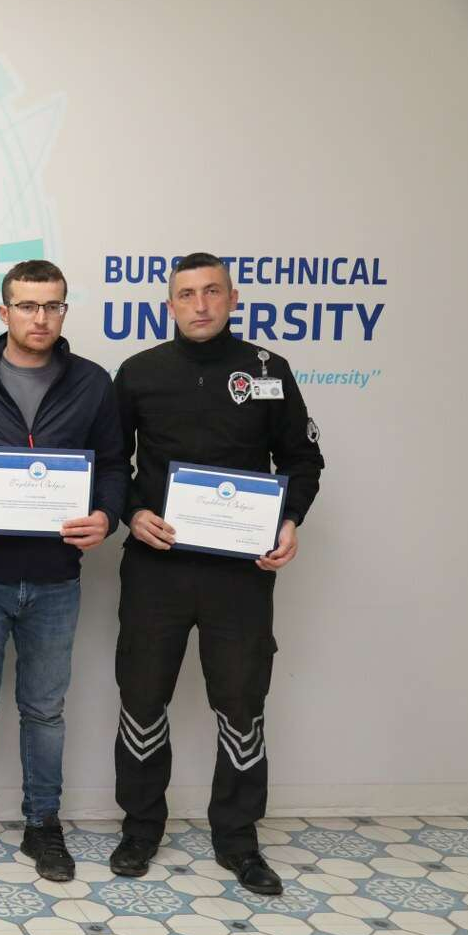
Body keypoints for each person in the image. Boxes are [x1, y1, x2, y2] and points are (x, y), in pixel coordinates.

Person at [108, 252, 324, 896]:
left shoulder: (267, 371)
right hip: (157, 568)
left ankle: (238, 839)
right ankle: (140, 828)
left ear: (233, 299)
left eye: (211, 292)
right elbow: (112, 464)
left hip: (240, 575)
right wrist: (132, 512)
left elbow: (302, 460)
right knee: (142, 697)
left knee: (241, 702)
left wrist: (290, 520)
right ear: (169, 305)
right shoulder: (139, 373)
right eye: (186, 294)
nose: (199, 305)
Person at [0, 259, 128, 883]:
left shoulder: (93, 383)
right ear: (3, 311)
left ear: (64, 310)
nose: (40, 318)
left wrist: (107, 516)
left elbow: (115, 467)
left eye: (52, 306)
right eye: (27, 306)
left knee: (45, 710)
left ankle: (44, 826)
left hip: (55, 577)